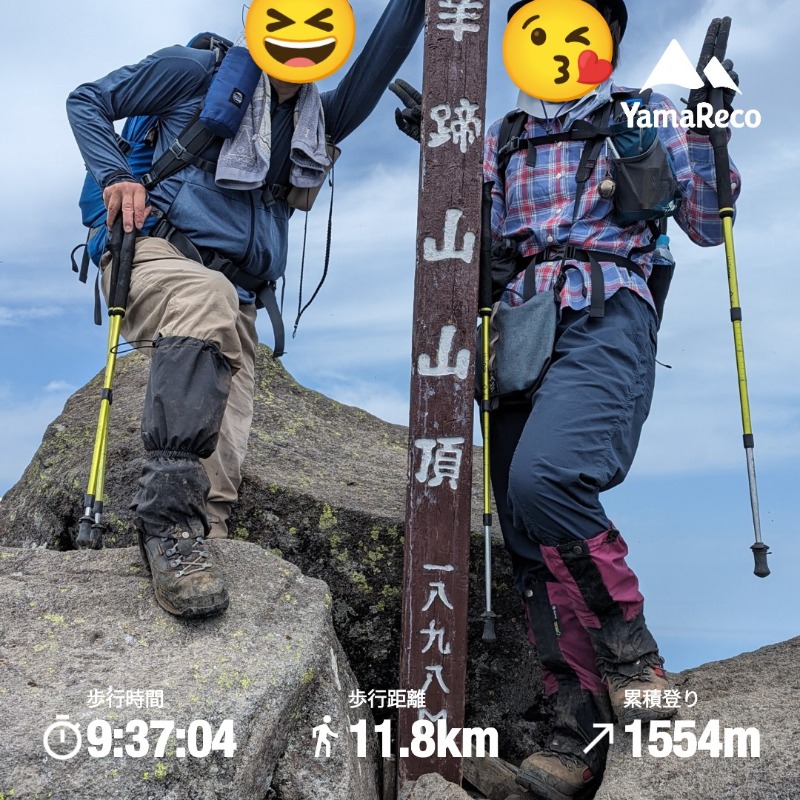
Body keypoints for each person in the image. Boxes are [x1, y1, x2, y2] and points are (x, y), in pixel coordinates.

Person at [394, 1, 741, 797]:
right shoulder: (502, 139)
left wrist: (713, 130)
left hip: (607, 310)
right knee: (525, 534)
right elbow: (465, 231)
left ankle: (633, 654)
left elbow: (708, 221)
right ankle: (576, 729)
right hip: (518, 330)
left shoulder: (644, 112)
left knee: (545, 479)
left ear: (609, 42)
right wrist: (440, 156)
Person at [67, 0, 424, 620]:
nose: (303, 35)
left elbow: (378, 60)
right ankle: (167, 526)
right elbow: (86, 99)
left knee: (224, 459)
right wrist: (114, 174)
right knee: (208, 298)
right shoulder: (194, 71)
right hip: (153, 254)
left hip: (238, 299)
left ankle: (198, 546)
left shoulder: (320, 118)